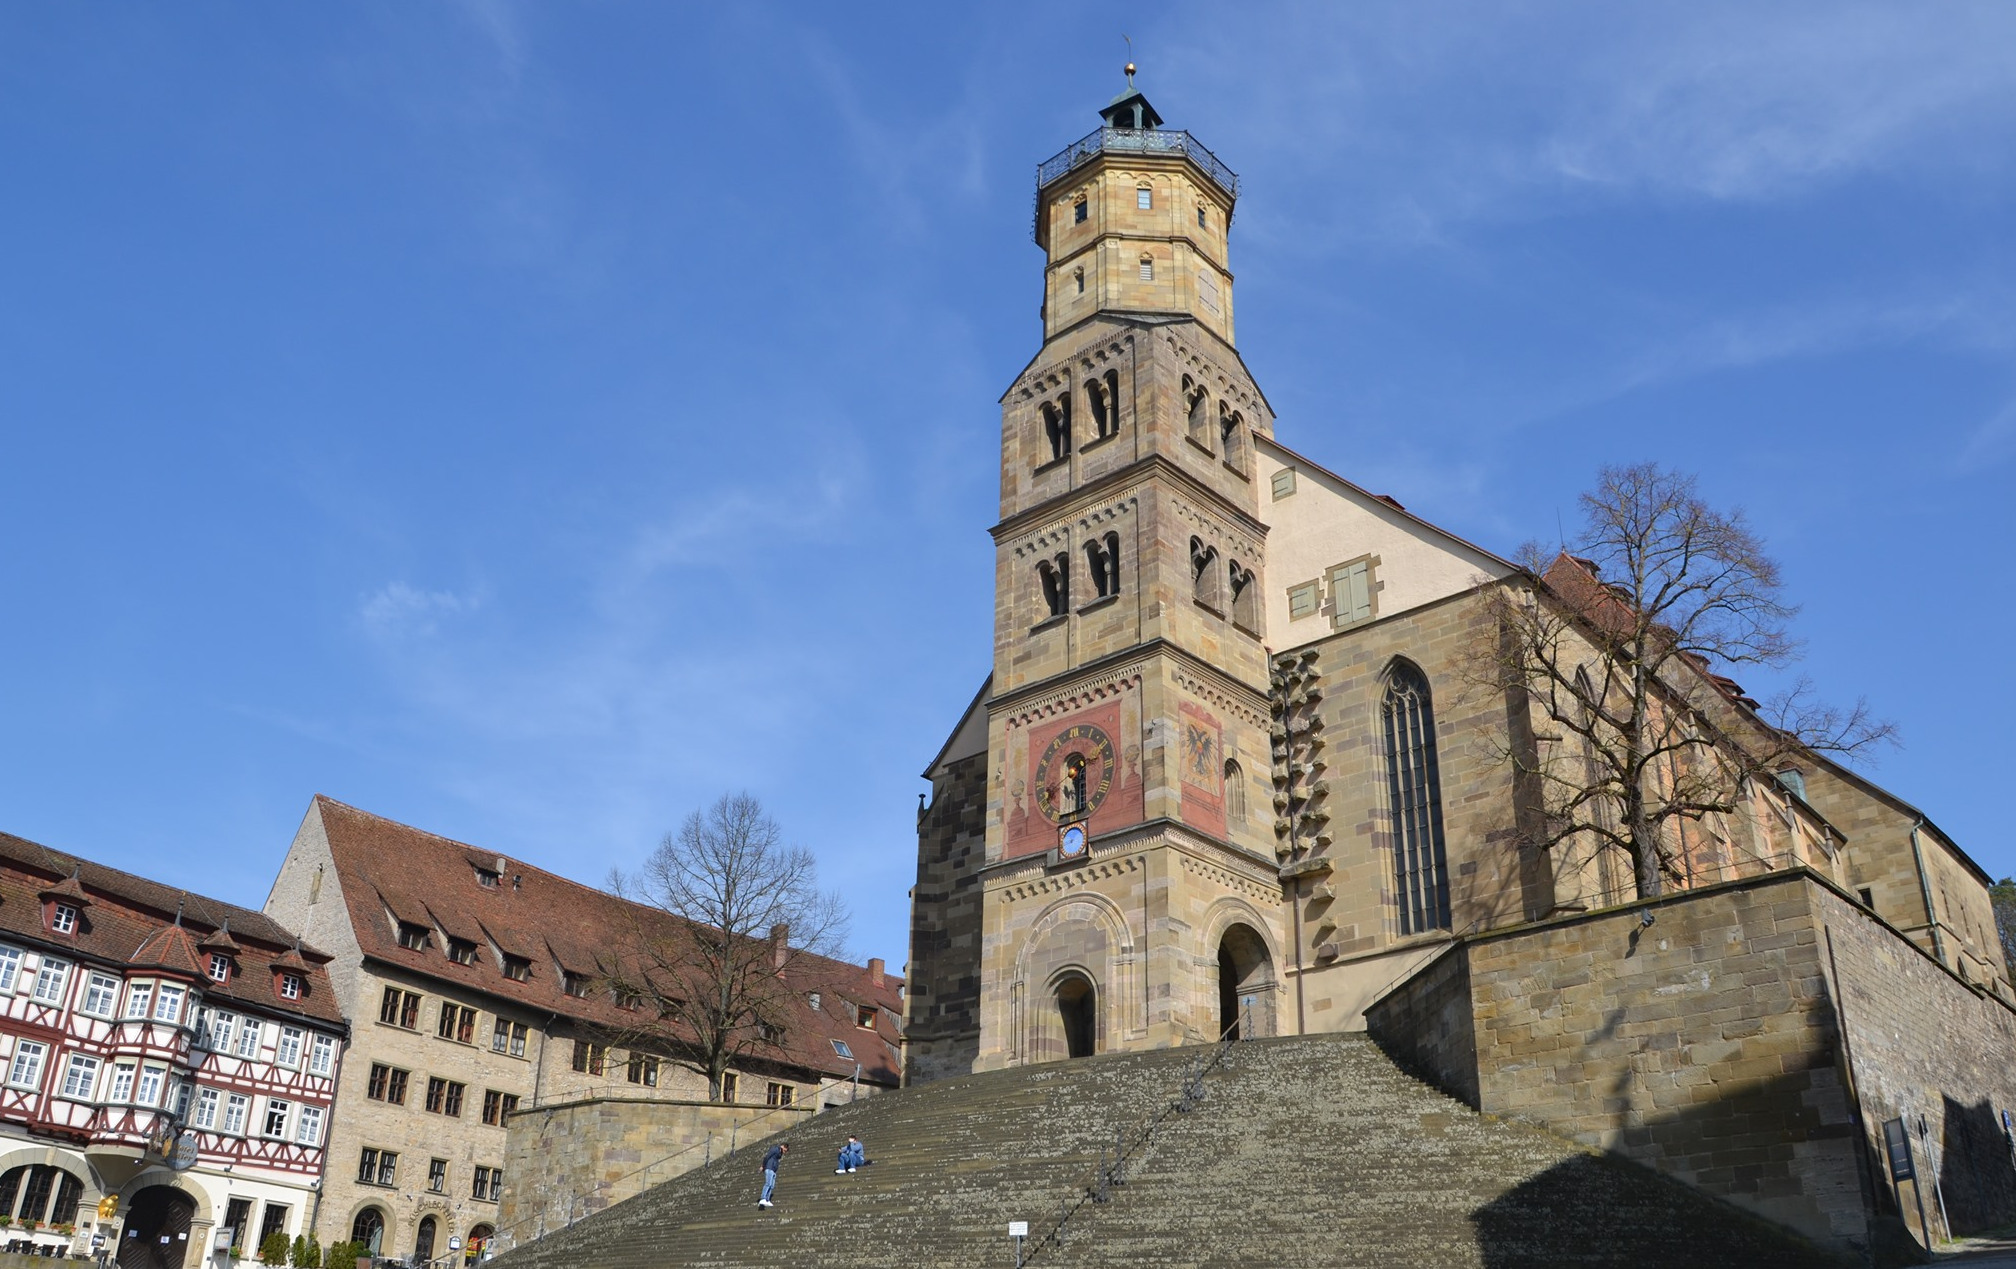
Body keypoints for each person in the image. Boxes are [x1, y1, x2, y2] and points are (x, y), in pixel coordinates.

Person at [758, 1141, 788, 1207]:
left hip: (773, 1170)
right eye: (786, 1150)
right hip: (769, 1168)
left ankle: (767, 1199)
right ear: (783, 1146)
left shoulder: (780, 1153)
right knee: (768, 1183)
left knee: (772, 1185)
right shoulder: (775, 1149)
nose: (785, 1152)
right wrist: (763, 1166)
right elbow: (767, 1157)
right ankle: (763, 1198)